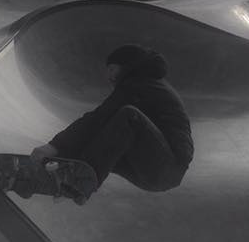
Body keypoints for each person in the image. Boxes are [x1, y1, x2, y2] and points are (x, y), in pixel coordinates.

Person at [31, 44, 194, 197]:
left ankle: (77, 180)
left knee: (127, 116)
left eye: (112, 69)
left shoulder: (140, 84)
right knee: (104, 135)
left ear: (126, 66)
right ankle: (58, 172)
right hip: (154, 170)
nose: (109, 77)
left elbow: (98, 117)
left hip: (167, 166)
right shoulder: (149, 84)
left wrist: (55, 145)